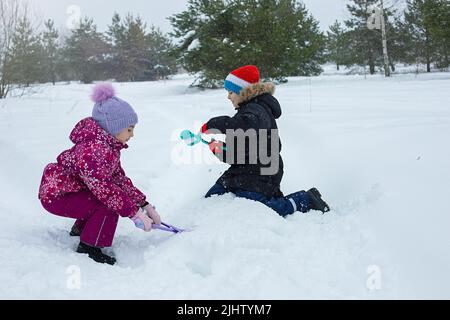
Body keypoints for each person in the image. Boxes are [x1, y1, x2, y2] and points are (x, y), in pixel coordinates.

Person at [38, 83, 161, 265]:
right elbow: (106, 191)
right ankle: (89, 247)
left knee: (105, 199)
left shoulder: (107, 147)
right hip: (58, 196)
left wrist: (143, 203)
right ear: (113, 127)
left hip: (69, 192)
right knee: (108, 204)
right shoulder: (94, 151)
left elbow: (118, 179)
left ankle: (81, 231)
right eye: (129, 129)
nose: (132, 134)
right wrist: (134, 213)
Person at [201, 65, 330, 217]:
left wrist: (214, 124)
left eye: (231, 92)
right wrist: (220, 149)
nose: (228, 97)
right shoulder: (246, 111)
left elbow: (241, 126)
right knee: (213, 196)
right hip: (242, 172)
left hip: (263, 171)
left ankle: (306, 199)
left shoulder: (256, 110)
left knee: (261, 210)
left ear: (243, 92)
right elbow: (239, 153)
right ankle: (269, 196)